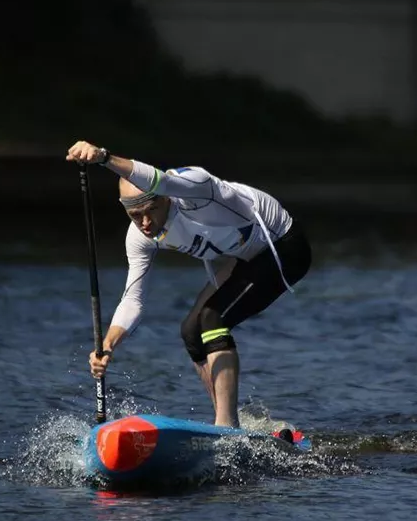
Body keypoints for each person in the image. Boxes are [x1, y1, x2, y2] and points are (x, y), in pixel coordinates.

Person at [66, 140, 312, 427]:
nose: (145, 223)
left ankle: (226, 426)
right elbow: (133, 299)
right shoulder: (140, 237)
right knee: (191, 331)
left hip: (284, 247)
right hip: (243, 256)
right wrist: (107, 345)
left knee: (212, 319)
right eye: (135, 215)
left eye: (149, 211)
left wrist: (103, 158)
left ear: (165, 198)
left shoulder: (195, 187)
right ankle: (231, 421)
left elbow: (158, 178)